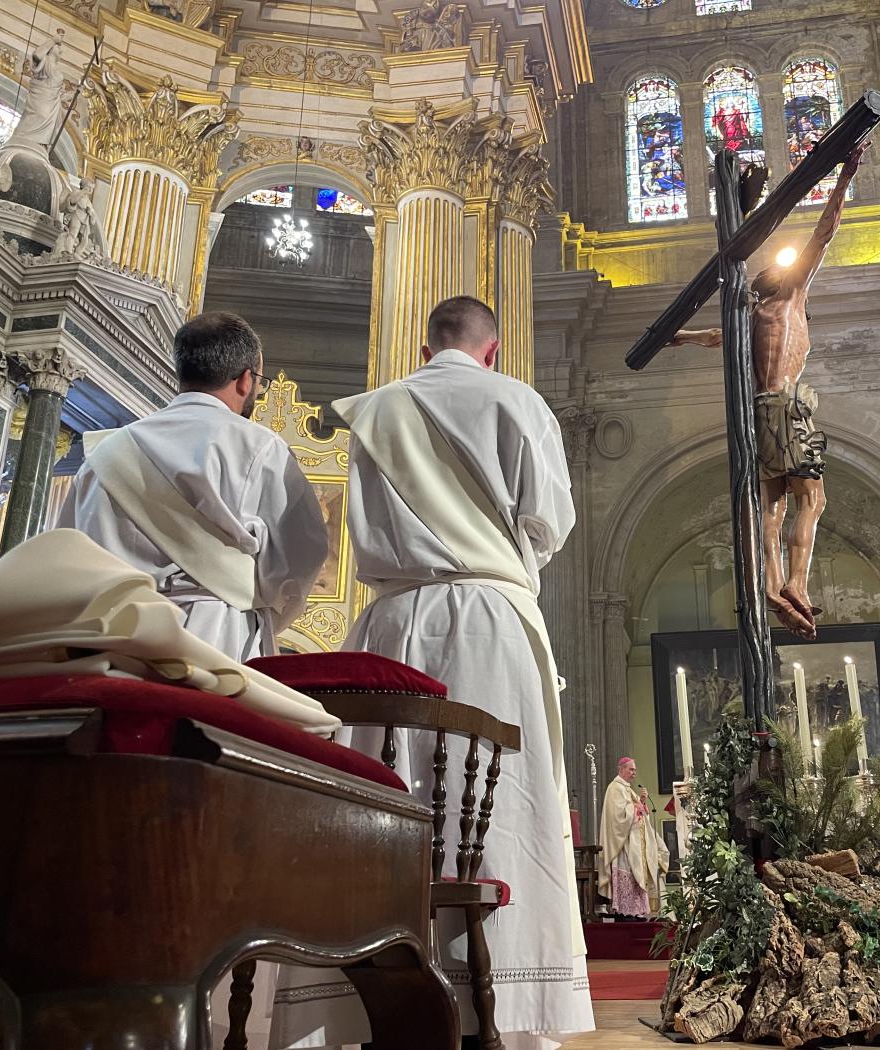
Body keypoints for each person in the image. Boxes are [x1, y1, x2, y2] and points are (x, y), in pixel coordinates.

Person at [271, 296, 592, 1049]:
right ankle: (505, 1013)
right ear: (493, 349)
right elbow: (551, 523)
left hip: (392, 623)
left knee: (388, 811)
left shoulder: (378, 411)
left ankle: (368, 1008)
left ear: (427, 345)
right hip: (492, 619)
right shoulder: (519, 401)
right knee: (498, 809)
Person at [669, 142, 868, 639]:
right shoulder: (789, 300)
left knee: (771, 512)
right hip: (784, 406)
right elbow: (825, 233)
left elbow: (703, 336)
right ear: (783, 281)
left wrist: (671, 336)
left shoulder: (749, 317)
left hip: (755, 417)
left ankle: (774, 584)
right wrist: (843, 176)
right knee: (812, 501)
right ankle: (796, 584)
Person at [57, 311, 327, 662]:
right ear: (246, 379)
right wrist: (260, 605)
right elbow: (302, 555)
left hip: (112, 641)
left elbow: (69, 555)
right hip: (212, 635)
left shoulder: (104, 454)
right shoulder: (259, 447)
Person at [598, 758, 669, 918]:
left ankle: (637, 911)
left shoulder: (628, 790)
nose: (634, 773)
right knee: (628, 876)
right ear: (621, 769)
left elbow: (639, 814)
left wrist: (641, 802)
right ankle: (625, 911)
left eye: (635, 770)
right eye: (631, 770)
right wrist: (636, 806)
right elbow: (617, 817)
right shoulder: (614, 788)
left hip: (634, 844)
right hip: (623, 845)